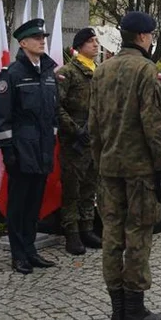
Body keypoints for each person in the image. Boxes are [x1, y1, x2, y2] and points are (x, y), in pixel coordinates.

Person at [89, 12, 161, 320]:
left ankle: (117, 312)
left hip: (110, 167)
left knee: (112, 235)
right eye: (151, 35)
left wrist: (101, 161)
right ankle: (133, 311)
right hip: (139, 170)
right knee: (137, 234)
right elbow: (153, 125)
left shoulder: (102, 70)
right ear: (142, 36)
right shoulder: (145, 69)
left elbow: (93, 125)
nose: (152, 40)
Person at [0, 18, 59, 274]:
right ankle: (18, 253)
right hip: (21, 151)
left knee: (34, 204)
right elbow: (0, 116)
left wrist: (51, 138)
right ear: (22, 43)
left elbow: (53, 113)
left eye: (44, 37)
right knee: (18, 205)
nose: (42, 41)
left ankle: (31, 249)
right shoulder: (12, 75)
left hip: (42, 149)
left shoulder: (48, 72)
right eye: (37, 38)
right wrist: (8, 150)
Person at [57, 27, 102, 256]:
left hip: (94, 137)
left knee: (90, 185)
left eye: (96, 41)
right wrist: (75, 130)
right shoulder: (68, 72)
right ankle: (71, 233)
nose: (96, 45)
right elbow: (57, 106)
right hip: (74, 139)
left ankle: (87, 227)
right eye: (91, 41)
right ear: (80, 45)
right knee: (72, 188)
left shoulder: (99, 71)